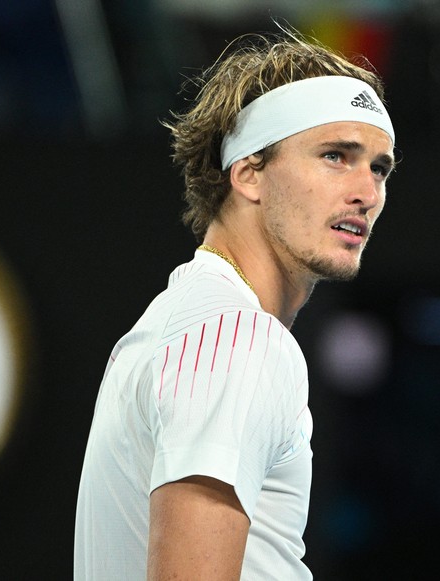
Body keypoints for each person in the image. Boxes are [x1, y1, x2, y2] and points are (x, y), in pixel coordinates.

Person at [74, 29, 396, 580]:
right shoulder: (236, 337)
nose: (366, 191)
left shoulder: (189, 320)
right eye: (335, 156)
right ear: (248, 174)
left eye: (379, 167)